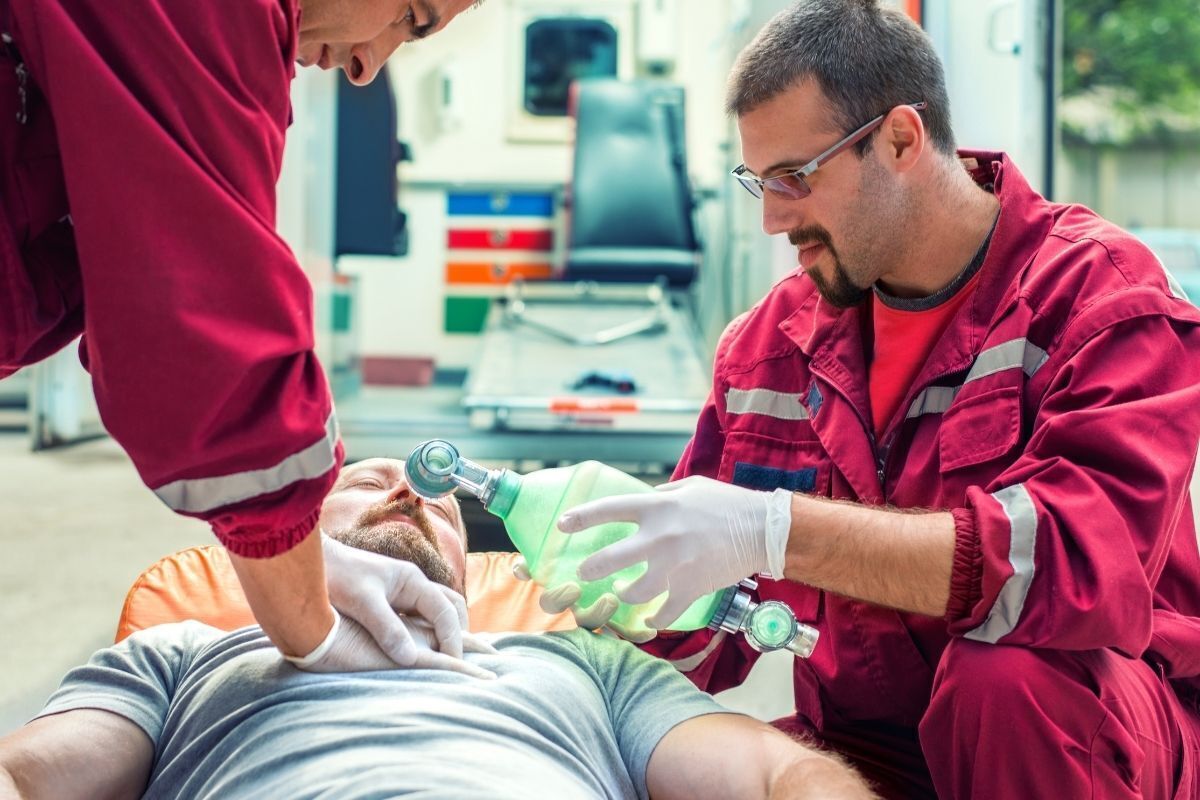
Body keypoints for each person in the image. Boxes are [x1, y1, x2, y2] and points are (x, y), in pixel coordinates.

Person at [531, 1, 1200, 797]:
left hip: (1083, 737)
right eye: (759, 182)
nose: (774, 219)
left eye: (795, 179)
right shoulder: (768, 347)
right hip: (869, 743)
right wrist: (641, 603)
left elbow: (1073, 569)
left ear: (901, 140)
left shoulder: (1096, 295)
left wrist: (775, 529)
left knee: (1003, 680)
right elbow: (716, 641)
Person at [0, 0, 482, 673]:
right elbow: (206, 325)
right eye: (412, 16)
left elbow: (119, 261)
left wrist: (305, 560)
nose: (370, 65)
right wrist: (310, 625)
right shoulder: (169, 663)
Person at [0, 458, 877, 800]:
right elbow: (24, 778)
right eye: (369, 478)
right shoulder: (185, 655)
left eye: (441, 509)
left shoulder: (581, 666)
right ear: (293, 526)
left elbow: (780, 776)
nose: (411, 493)